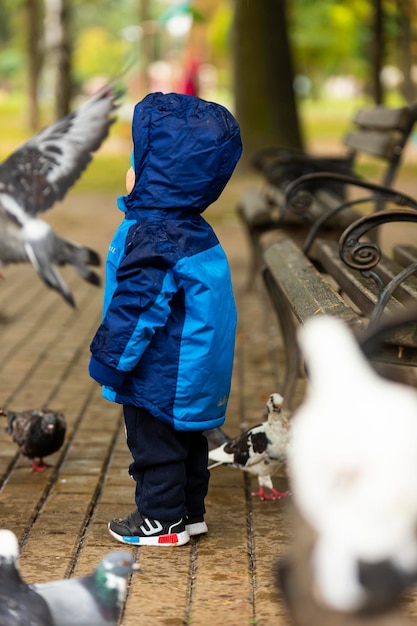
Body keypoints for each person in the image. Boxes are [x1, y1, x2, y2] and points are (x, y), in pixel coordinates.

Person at [88, 92, 242, 546]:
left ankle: (162, 521)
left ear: (156, 173)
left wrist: (110, 359)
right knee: (188, 440)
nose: (130, 169)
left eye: (137, 159)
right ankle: (189, 512)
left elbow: (139, 305)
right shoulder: (190, 226)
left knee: (153, 443)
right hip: (195, 363)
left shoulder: (154, 234)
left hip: (163, 366)